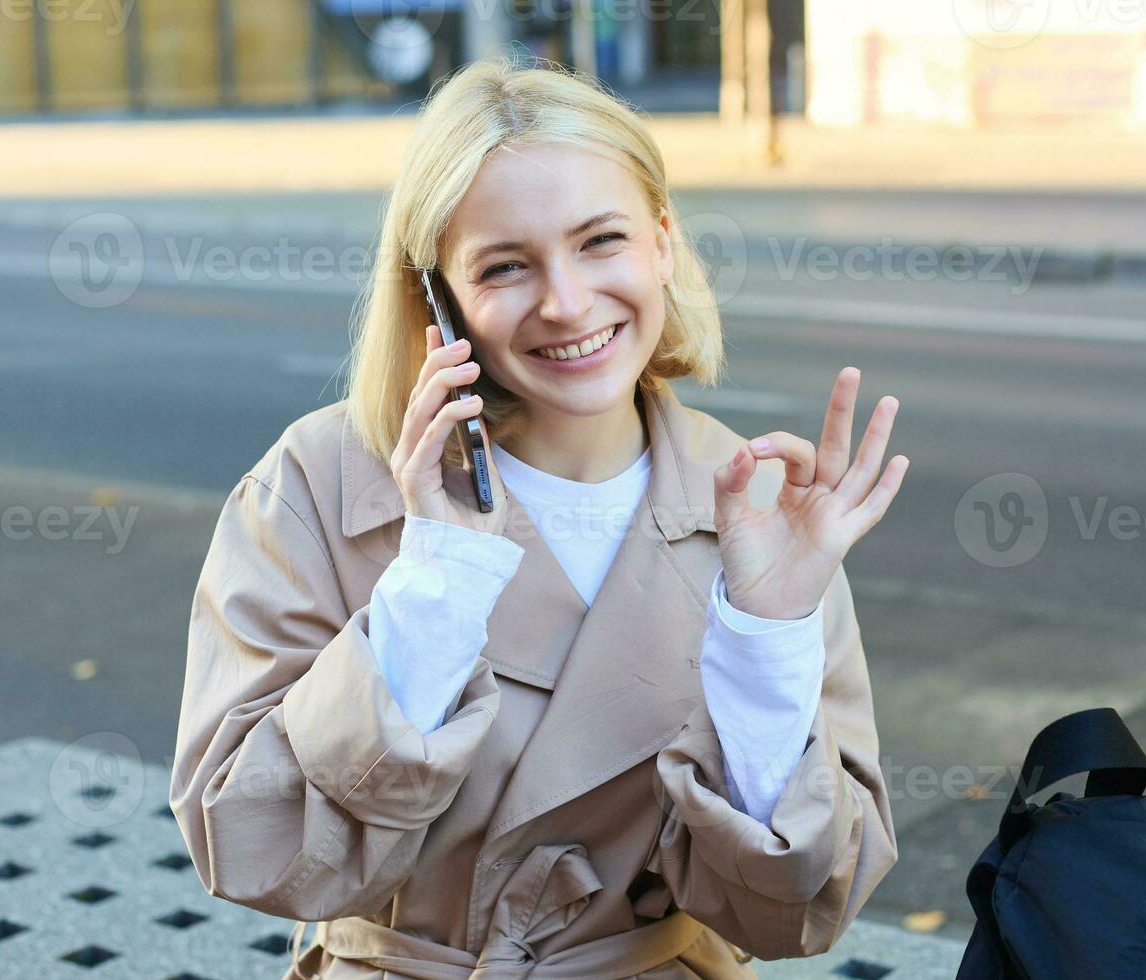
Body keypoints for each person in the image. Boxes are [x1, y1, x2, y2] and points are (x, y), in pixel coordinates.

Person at [170, 57, 910, 979]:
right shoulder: (318, 484)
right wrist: (434, 586)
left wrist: (765, 640)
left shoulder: (759, 501)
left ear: (663, 244)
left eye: (602, 240)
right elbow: (249, 846)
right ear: (437, 302)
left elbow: (804, 910)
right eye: (505, 266)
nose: (565, 303)